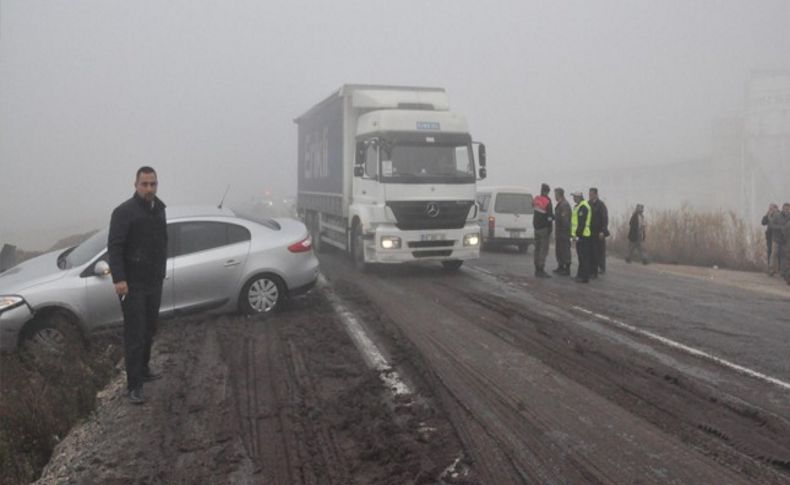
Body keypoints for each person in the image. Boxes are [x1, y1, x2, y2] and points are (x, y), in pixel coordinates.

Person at [108, 166, 167, 405]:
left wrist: (161, 271)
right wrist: (119, 279)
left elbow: (162, 242)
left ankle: (143, 369)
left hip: (154, 281)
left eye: (153, 184)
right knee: (135, 334)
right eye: (145, 184)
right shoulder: (124, 212)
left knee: (150, 328)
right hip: (132, 284)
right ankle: (134, 386)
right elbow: (115, 247)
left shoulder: (159, 209)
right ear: (136, 185)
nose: (149, 189)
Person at [532, 183, 554, 278]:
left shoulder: (536, 199)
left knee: (537, 248)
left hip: (536, 227)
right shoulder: (547, 201)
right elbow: (549, 217)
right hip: (544, 228)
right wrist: (550, 227)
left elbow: (534, 209)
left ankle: (537, 268)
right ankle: (541, 269)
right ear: (547, 191)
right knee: (543, 249)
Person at [571, 191, 592, 283]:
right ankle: (580, 275)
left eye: (574, 197)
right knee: (581, 257)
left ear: (578, 197)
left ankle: (584, 277)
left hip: (583, 235)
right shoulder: (579, 206)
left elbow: (581, 223)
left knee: (583, 257)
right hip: (581, 235)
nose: (573, 198)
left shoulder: (583, 207)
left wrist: (577, 235)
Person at [588, 187, 609, 277]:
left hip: (598, 231)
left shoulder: (601, 205)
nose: (590, 196)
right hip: (590, 231)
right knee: (591, 251)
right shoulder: (588, 204)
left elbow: (604, 219)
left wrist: (603, 231)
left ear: (596, 194)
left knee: (599, 250)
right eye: (589, 194)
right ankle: (592, 268)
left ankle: (600, 268)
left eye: (591, 194)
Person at [552, 187, 572, 276]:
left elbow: (565, 220)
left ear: (559, 194)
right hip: (559, 232)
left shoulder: (564, 205)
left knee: (565, 250)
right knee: (559, 250)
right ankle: (560, 266)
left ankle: (566, 269)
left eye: (555, 194)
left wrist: (564, 232)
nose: (554, 196)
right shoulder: (560, 204)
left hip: (564, 233)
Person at [767, 203, 787, 276]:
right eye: (785, 209)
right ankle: (771, 270)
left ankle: (782, 271)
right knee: (774, 254)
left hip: (785, 240)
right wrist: (780, 227)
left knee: (784, 255)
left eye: (788, 209)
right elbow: (771, 225)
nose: (787, 210)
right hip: (776, 238)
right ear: (782, 208)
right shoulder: (777, 216)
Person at [781, 203, 790, 285]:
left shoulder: (787, 224)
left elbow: (783, 233)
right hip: (788, 246)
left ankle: (787, 278)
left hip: (787, 245)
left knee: (787, 262)